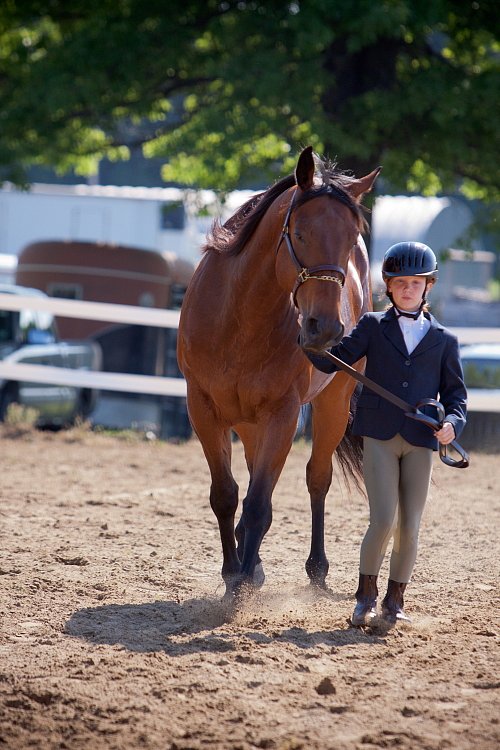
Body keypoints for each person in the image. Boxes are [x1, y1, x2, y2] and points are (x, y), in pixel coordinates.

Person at [306, 241, 467, 626]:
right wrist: (305, 340)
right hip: (378, 435)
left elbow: (457, 396)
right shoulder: (373, 326)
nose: (408, 289)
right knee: (383, 519)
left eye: (416, 282)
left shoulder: (445, 340)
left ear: (428, 286)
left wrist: (452, 425)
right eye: (400, 283)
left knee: (410, 525)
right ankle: (365, 598)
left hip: (421, 441)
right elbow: (336, 357)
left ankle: (394, 602)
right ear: (388, 286)